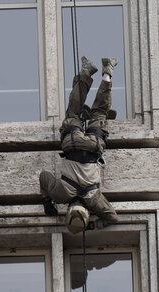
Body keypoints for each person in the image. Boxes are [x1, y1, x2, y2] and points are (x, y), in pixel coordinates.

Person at [39, 56, 119, 234]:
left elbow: (112, 217)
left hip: (93, 146)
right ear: (68, 211)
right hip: (73, 144)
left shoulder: (94, 200)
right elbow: (44, 177)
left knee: (99, 112)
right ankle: (86, 72)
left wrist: (93, 226)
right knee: (73, 111)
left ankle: (107, 72)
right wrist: (47, 201)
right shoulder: (61, 195)